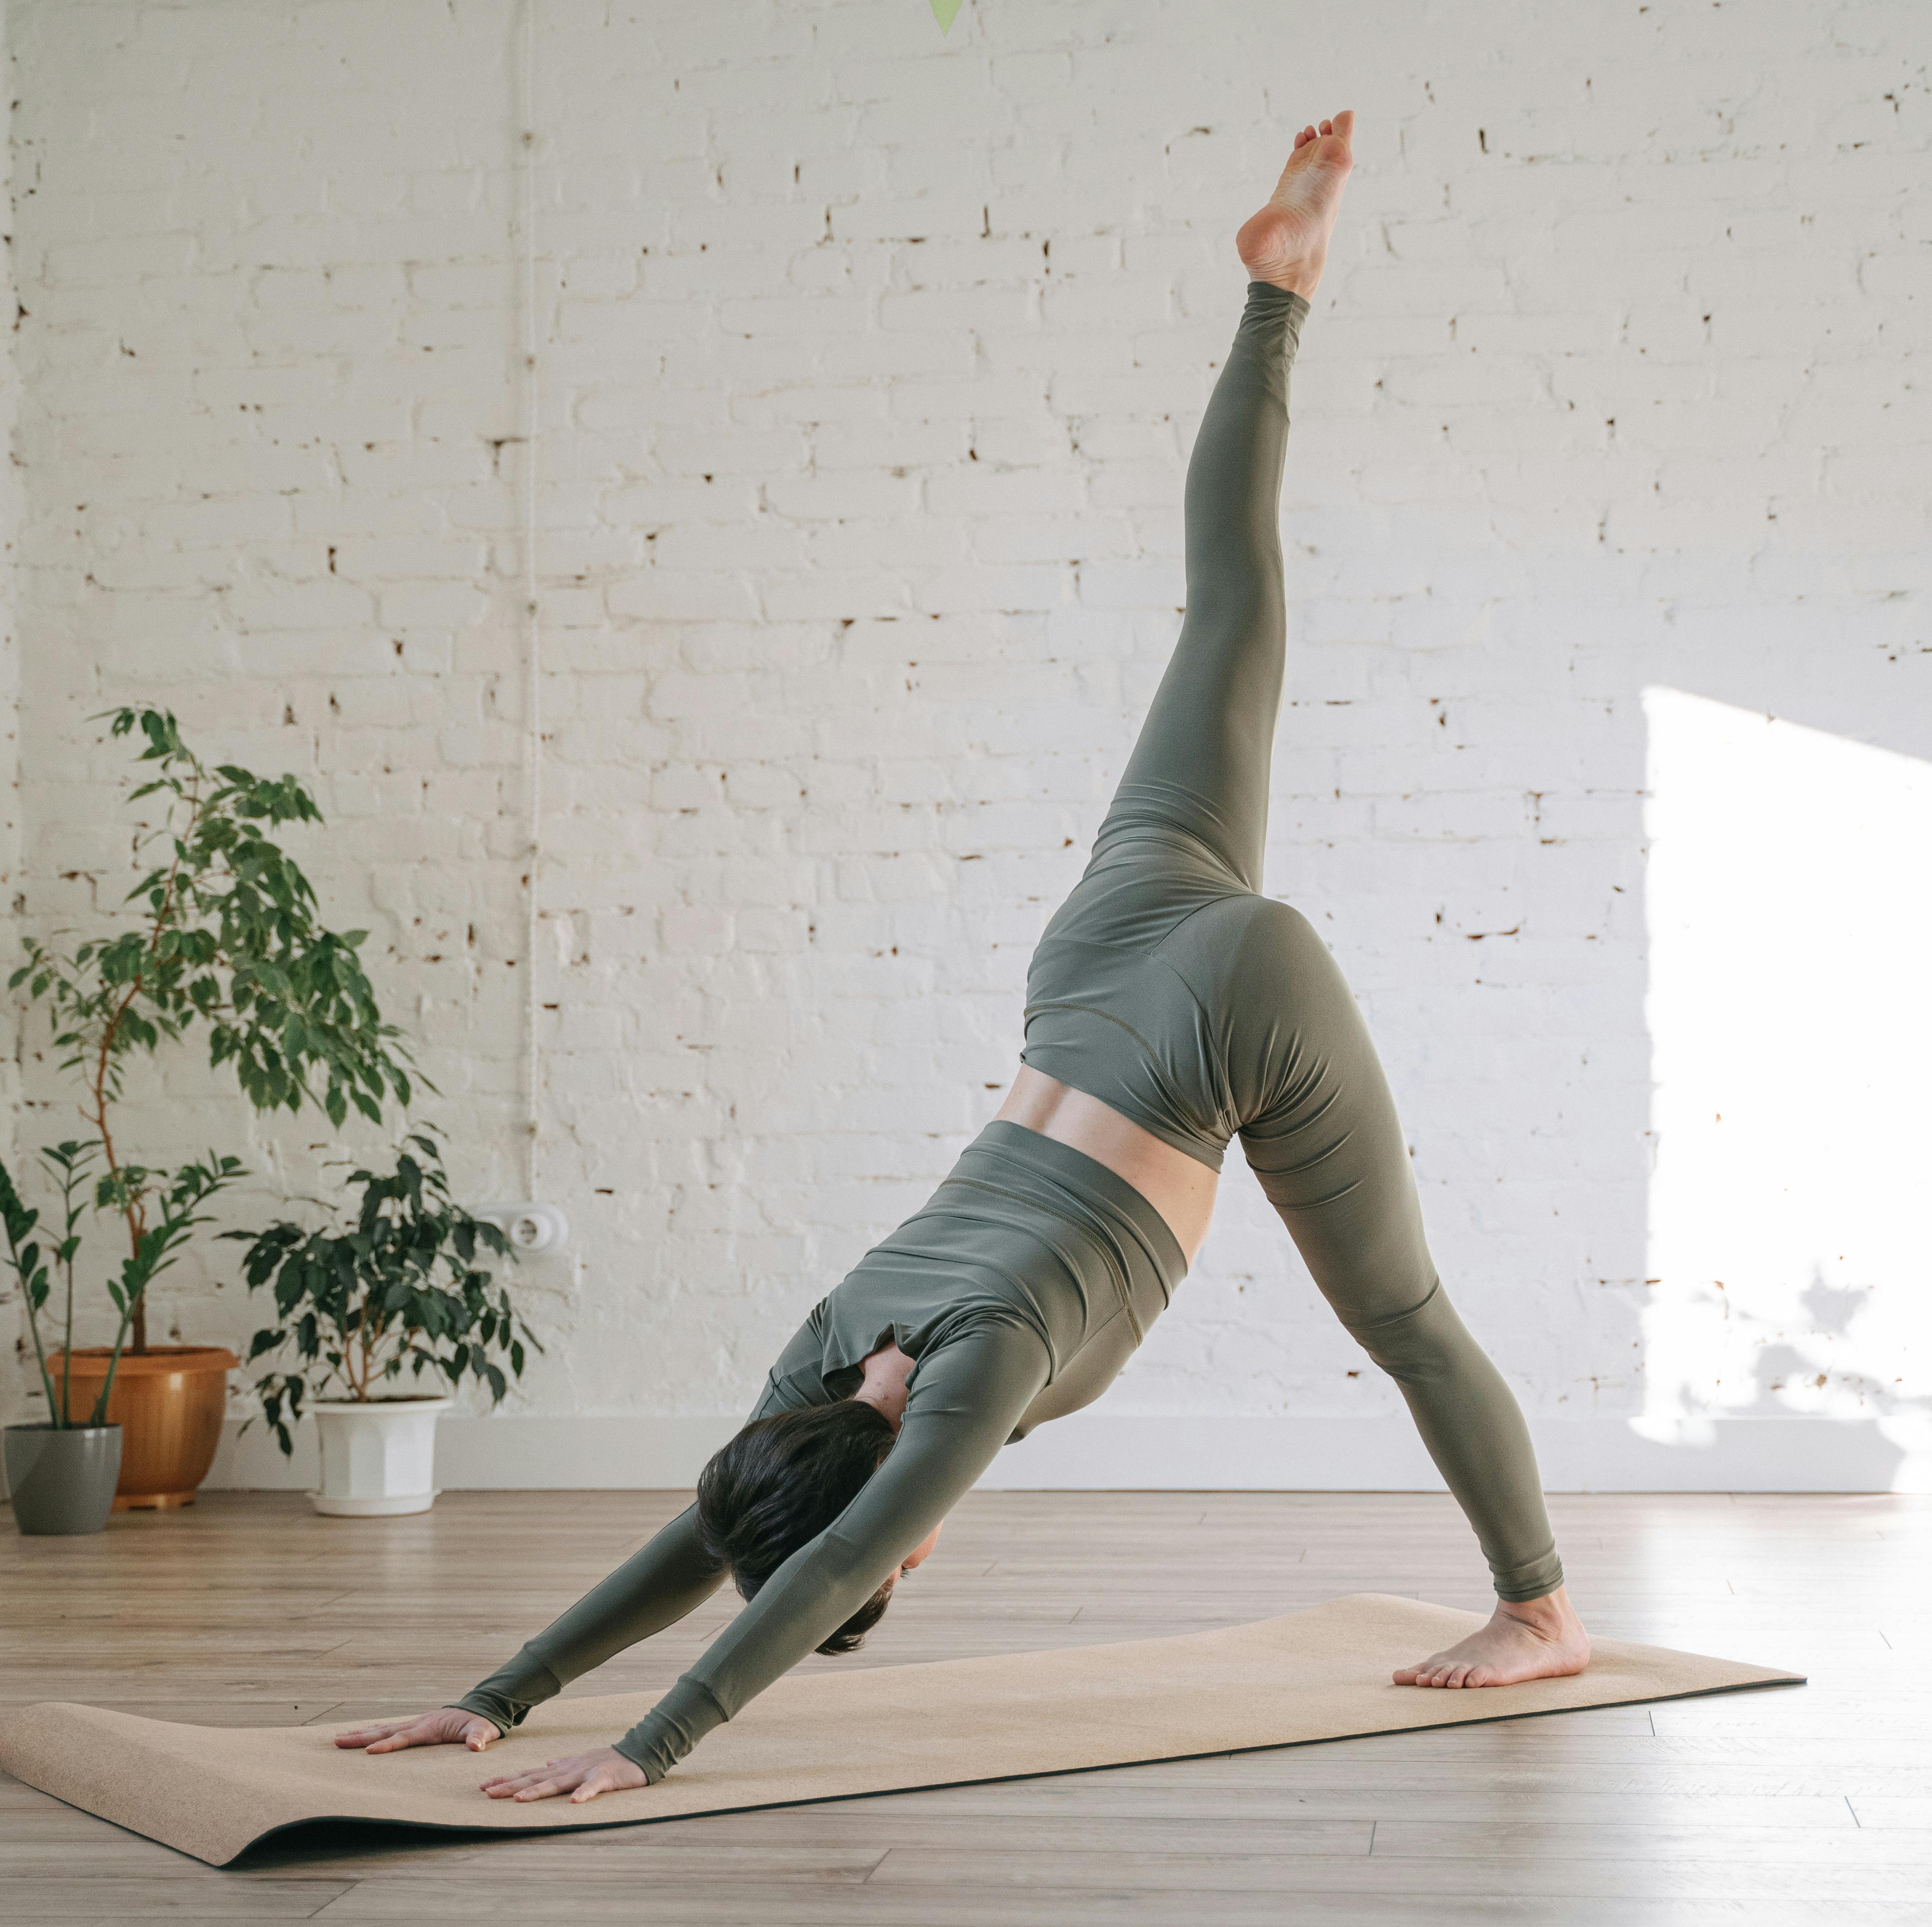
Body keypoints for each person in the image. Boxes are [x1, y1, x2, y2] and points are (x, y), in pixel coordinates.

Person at [332, 110, 1592, 1806]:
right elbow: (718, 1530)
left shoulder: (970, 1393)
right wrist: (494, 1696)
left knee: (1406, 1317)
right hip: (1104, 958)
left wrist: (648, 1750)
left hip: (1235, 1023)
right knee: (1229, 607)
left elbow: (813, 1567)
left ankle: (1540, 1610)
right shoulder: (825, 1345)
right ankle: (1278, 297)